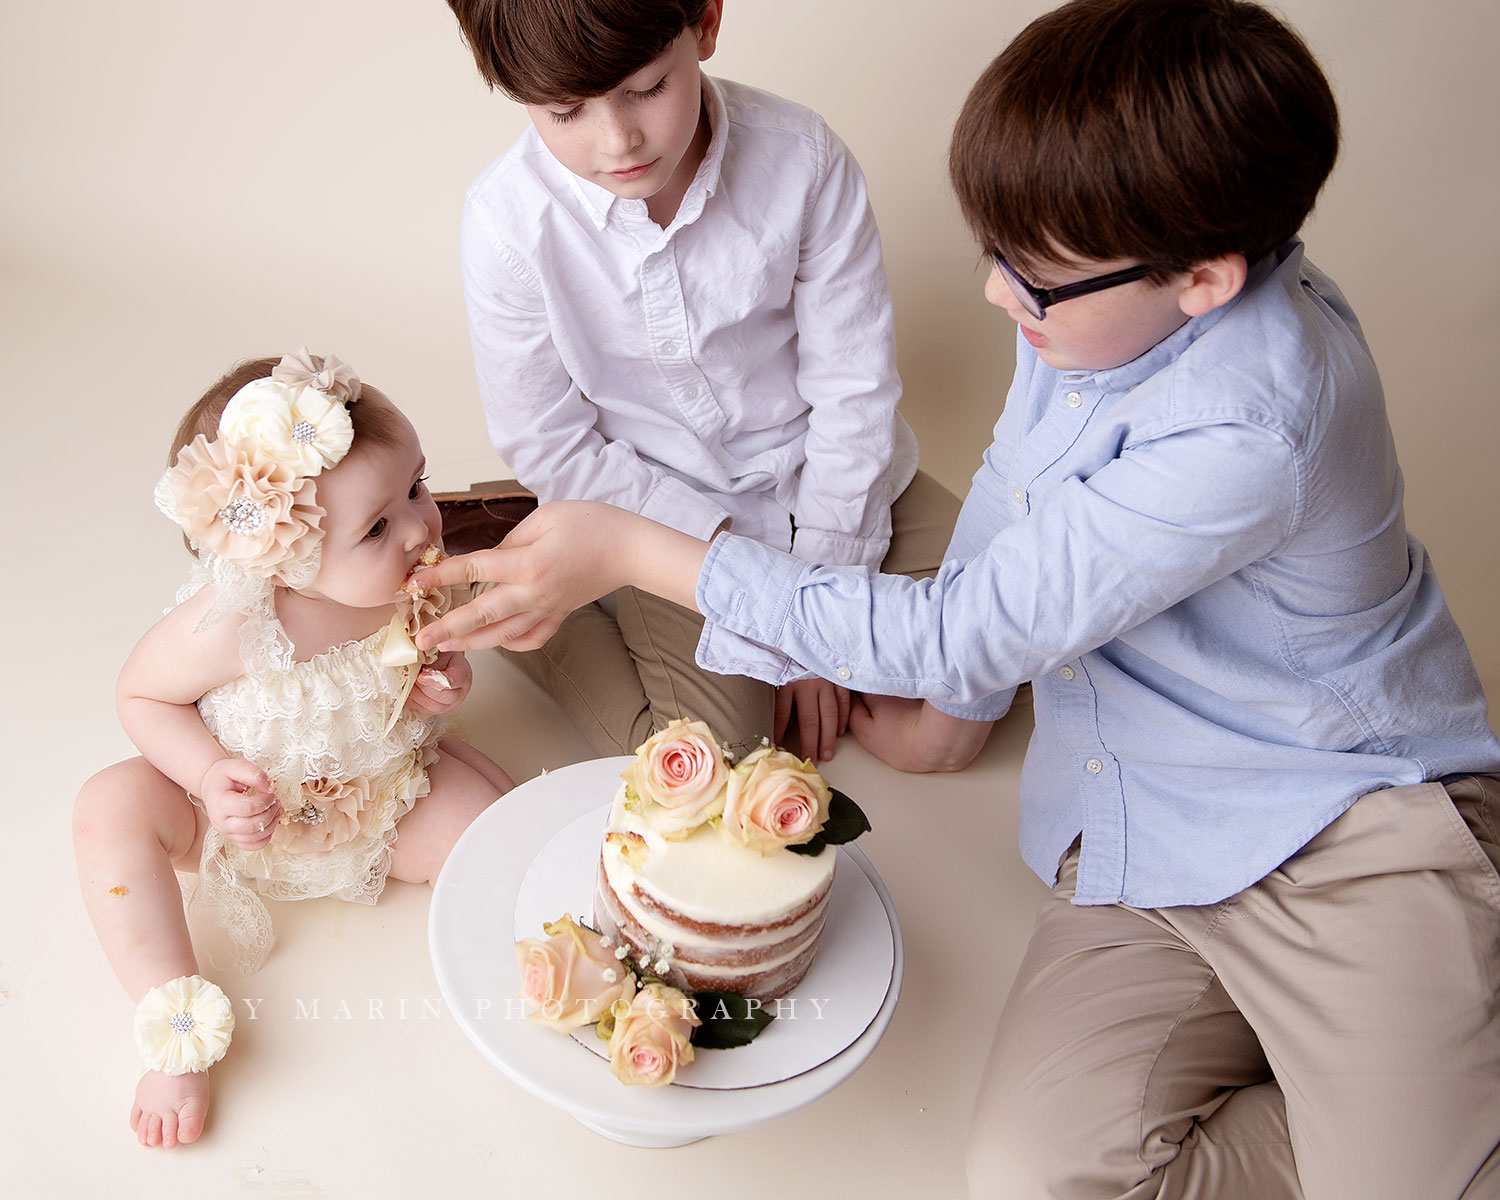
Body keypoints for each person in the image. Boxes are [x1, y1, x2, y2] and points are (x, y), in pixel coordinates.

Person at [414, 0, 1500, 1195]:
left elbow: (955, 617)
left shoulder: (1256, 421)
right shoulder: (1090, 305)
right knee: (1026, 1180)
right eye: (996, 254)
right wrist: (949, 722)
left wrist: (635, 549)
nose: (994, 298)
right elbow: (1014, 492)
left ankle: (1408, 1069)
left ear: (1204, 279)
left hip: (1357, 832)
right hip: (1147, 822)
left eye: (1030, 281)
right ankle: (1378, 1077)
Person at [443, 0, 959, 761]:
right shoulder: (506, 222)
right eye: (565, 111)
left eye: (648, 88)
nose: (617, 140)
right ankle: (529, 590)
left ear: (707, 24)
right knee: (716, 755)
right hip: (655, 515)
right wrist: (747, 583)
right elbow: (550, 441)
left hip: (824, 480)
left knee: (993, 631)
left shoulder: (803, 160)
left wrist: (812, 607)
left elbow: (854, 391)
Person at [72, 350, 513, 1150]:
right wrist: (207, 776)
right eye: (378, 525)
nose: (419, 526)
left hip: (378, 799)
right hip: (236, 818)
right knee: (108, 807)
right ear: (282, 559)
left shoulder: (412, 575)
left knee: (500, 833)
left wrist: (440, 678)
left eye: (416, 484)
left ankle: (521, 986)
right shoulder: (233, 625)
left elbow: (427, 662)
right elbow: (139, 694)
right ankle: (175, 1017)